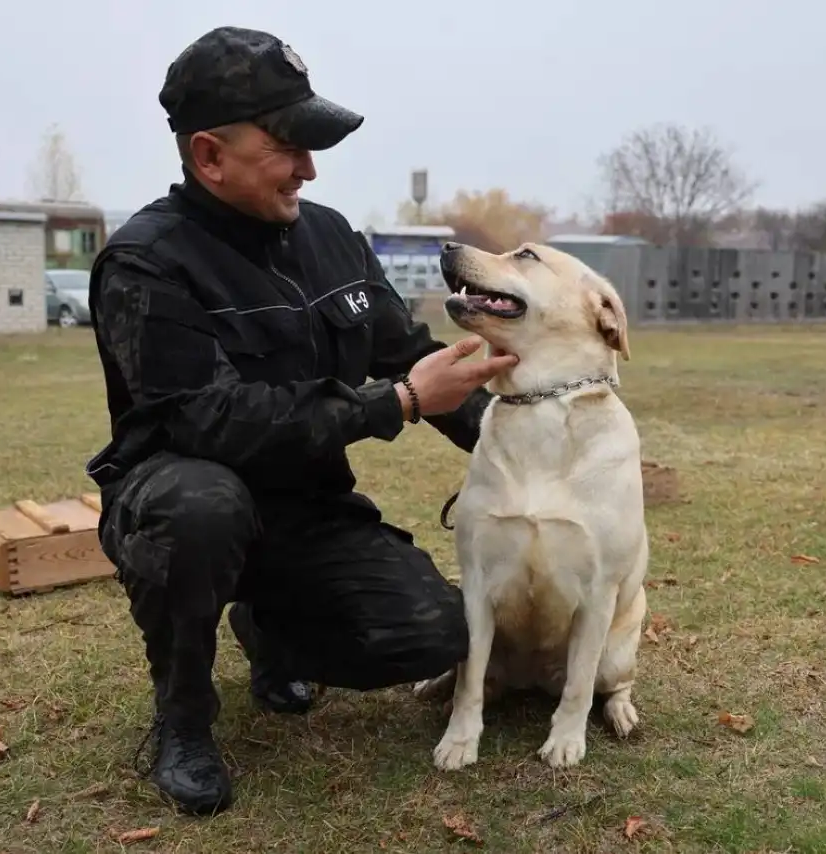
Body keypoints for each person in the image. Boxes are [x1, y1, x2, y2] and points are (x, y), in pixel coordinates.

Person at [84, 25, 518, 817]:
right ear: (209, 155)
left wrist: (514, 431)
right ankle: (184, 720)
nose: (310, 168)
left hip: (304, 512)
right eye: (289, 145)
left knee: (433, 633)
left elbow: (406, 353)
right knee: (202, 507)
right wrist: (397, 404)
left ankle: (269, 629)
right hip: (182, 499)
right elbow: (206, 420)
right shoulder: (148, 261)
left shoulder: (328, 237)